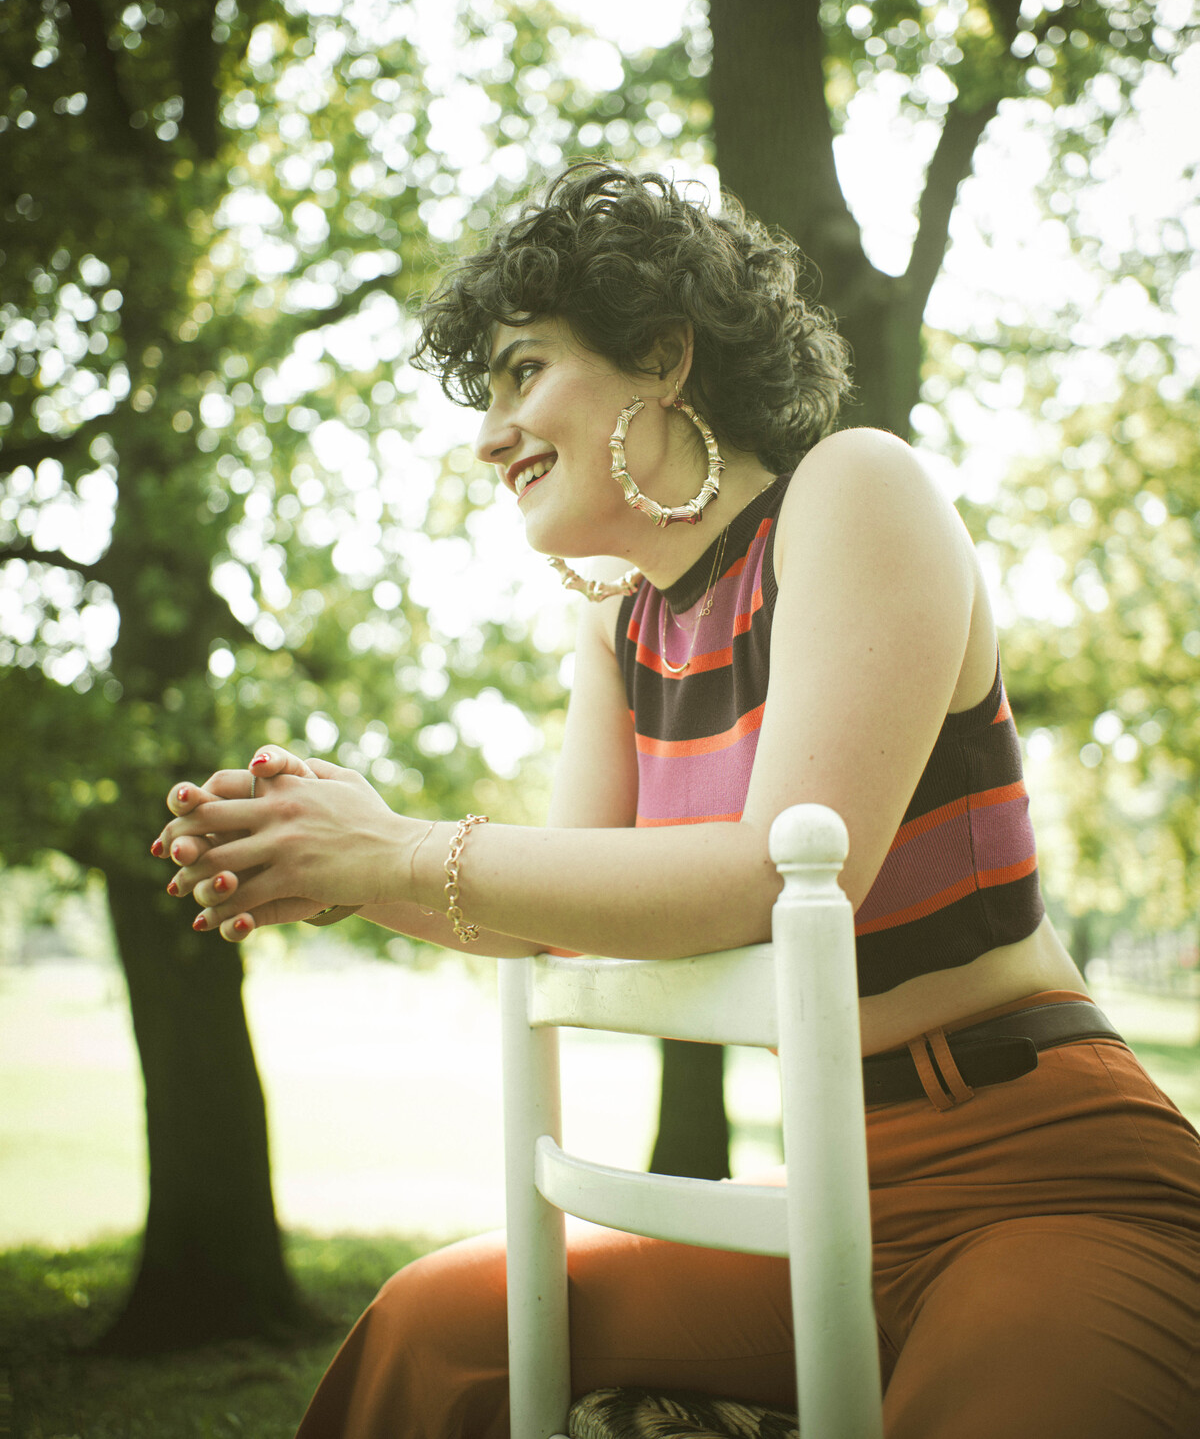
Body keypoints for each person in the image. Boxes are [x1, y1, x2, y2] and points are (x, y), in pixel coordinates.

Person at [153, 164, 1200, 1439]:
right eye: (487, 392)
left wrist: (397, 849)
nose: (489, 434)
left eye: (523, 370)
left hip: (1049, 1177)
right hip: (831, 1185)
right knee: (434, 1327)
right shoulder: (619, 626)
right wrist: (341, 860)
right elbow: (557, 918)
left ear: (662, 355)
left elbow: (779, 874)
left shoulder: (856, 488)